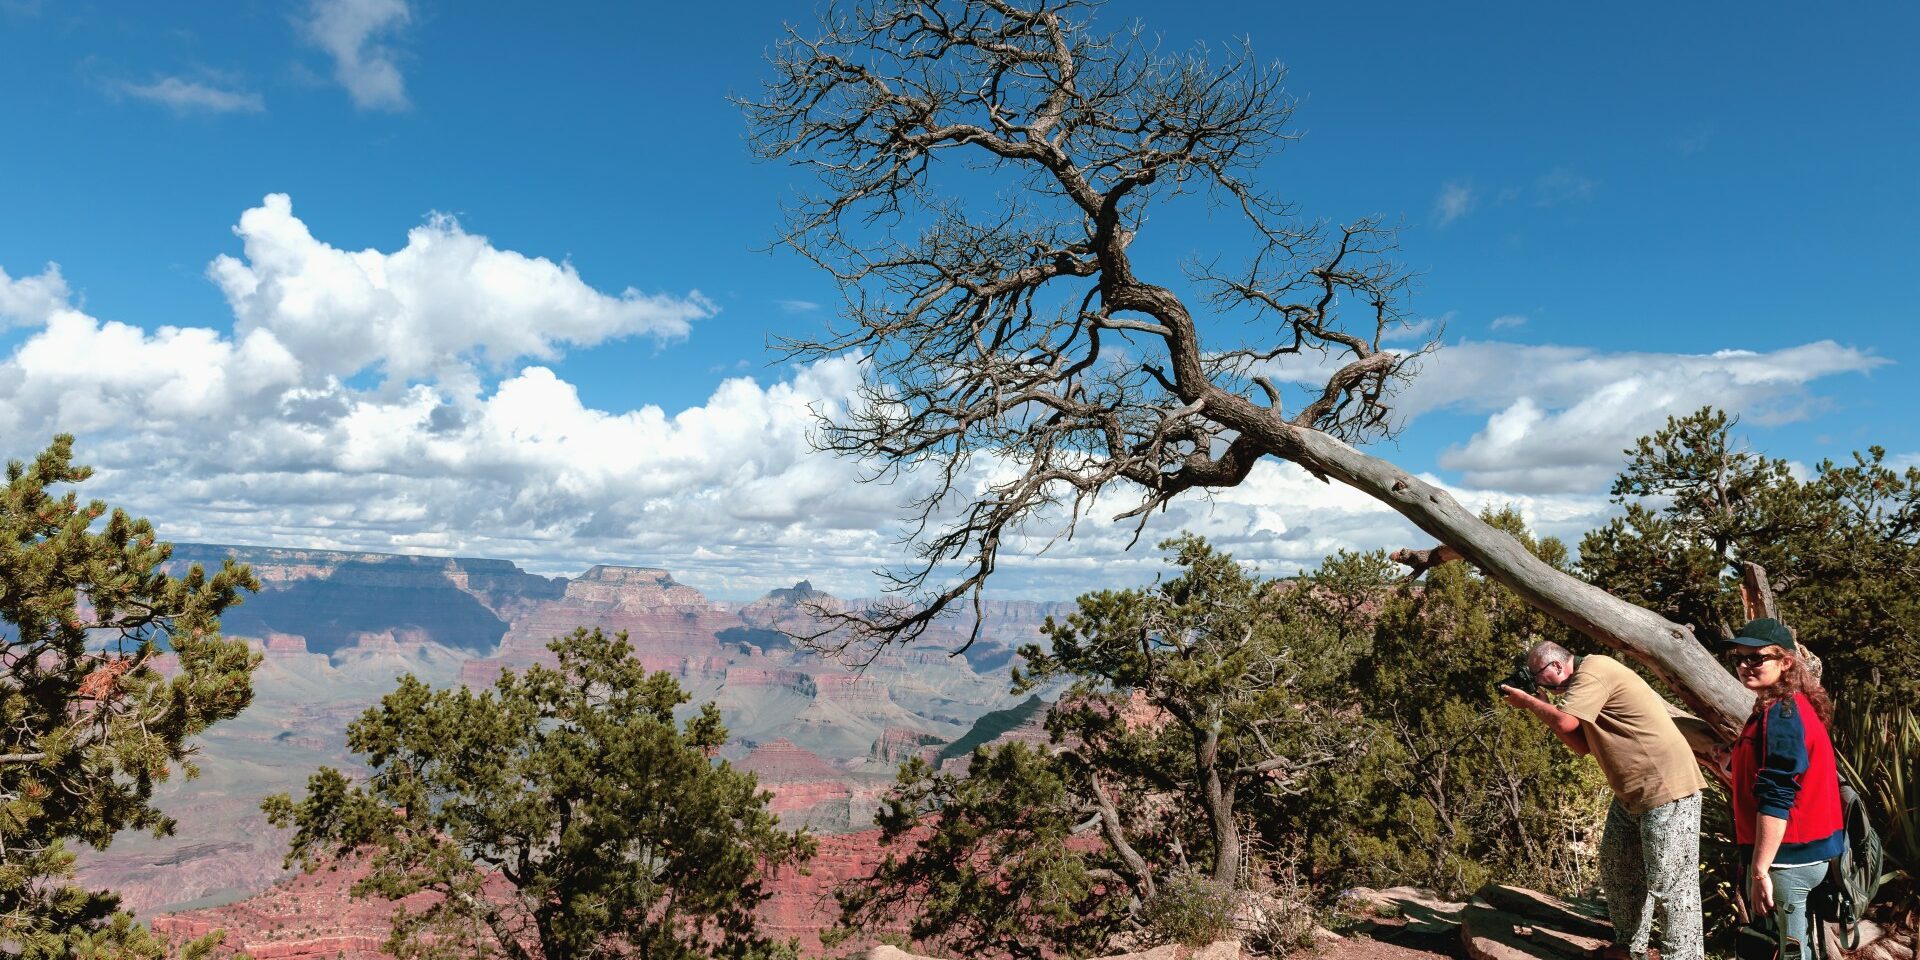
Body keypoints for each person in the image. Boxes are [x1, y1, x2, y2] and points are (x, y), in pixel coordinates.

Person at [1501, 641, 1706, 960]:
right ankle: (1629, 948)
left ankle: (1684, 957)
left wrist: (1529, 702)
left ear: (1556, 667)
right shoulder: (1584, 680)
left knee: (1671, 883)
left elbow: (1566, 722)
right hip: (1632, 792)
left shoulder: (1593, 672)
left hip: (1666, 786)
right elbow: (1580, 743)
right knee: (1618, 865)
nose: (1539, 683)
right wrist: (1540, 702)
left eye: (1539, 677)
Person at [1725, 618, 1843, 960]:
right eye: (1739, 658)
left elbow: (1778, 794)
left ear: (1785, 662)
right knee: (1791, 946)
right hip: (1798, 851)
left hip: (1788, 858)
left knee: (1787, 952)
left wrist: (1761, 869)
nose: (1745, 666)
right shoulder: (1779, 706)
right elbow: (1761, 767)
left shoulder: (1784, 714)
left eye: (1756, 658)